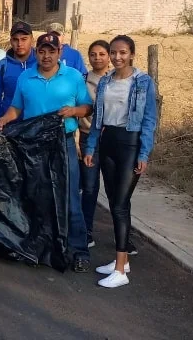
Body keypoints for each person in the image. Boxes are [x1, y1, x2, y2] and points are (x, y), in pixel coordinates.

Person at [0, 33, 93, 272]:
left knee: (69, 198)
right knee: (38, 195)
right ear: (37, 52)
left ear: (59, 53)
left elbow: (88, 107)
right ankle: (43, 246)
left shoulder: (73, 77)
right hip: (34, 146)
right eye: (42, 51)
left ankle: (79, 250)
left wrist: (74, 111)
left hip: (63, 144)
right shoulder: (27, 77)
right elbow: (17, 108)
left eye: (51, 51)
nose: (46, 56)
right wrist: (4, 119)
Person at [83, 35, 159, 289]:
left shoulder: (143, 82)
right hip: (108, 143)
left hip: (130, 143)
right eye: (113, 52)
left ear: (132, 54)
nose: (117, 57)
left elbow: (149, 120)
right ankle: (122, 260)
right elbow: (97, 121)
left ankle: (120, 270)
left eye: (122, 52)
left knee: (119, 204)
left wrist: (143, 153)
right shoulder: (105, 81)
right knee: (117, 201)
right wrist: (92, 147)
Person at [79, 40, 111, 249]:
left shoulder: (119, 80)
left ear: (109, 56)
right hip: (87, 137)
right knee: (89, 188)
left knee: (115, 190)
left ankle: (123, 237)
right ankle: (86, 230)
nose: (97, 58)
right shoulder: (82, 81)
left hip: (113, 141)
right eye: (93, 54)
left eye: (101, 54)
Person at [0, 22, 36, 119]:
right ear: (11, 41)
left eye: (24, 39)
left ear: (32, 39)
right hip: (10, 125)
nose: (19, 44)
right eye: (15, 40)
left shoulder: (41, 63)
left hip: (37, 125)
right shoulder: (2, 66)